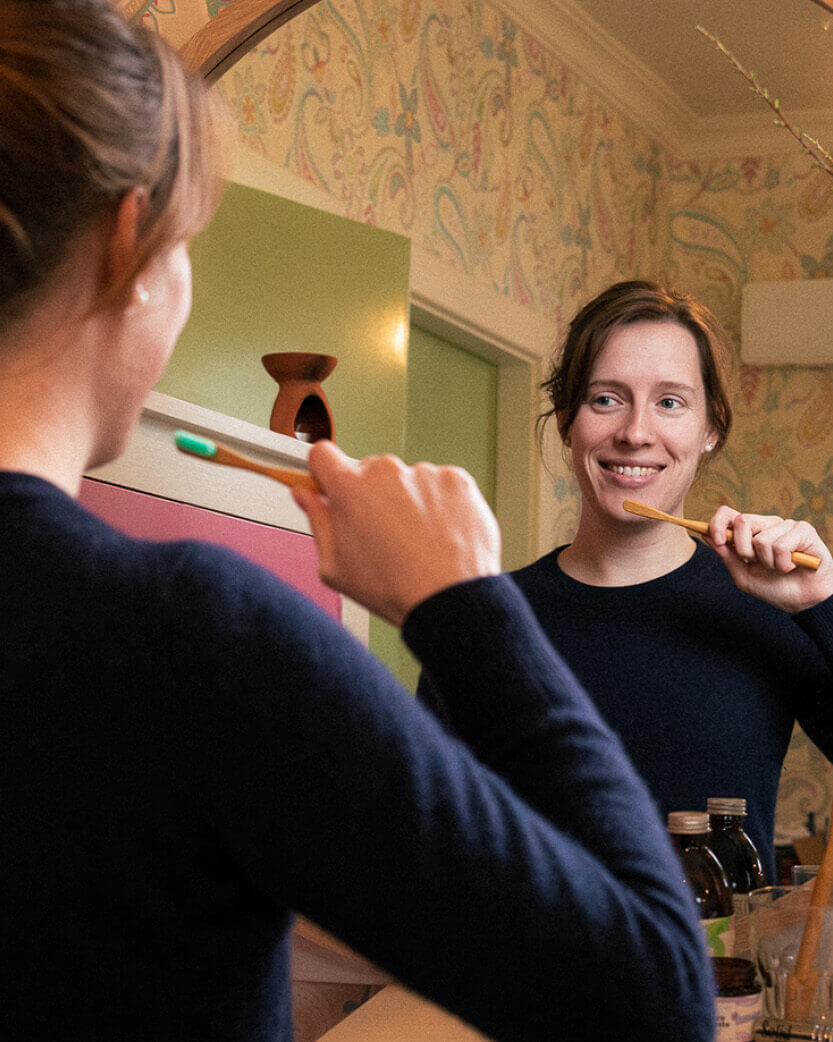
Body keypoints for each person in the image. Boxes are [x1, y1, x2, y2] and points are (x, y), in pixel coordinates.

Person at [0, 7, 716, 1041]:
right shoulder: (193, 635)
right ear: (131, 240)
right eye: (190, 239)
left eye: (668, 403)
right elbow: (650, 997)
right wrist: (464, 606)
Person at [422, 279, 833, 884]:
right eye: (606, 399)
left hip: (713, 975)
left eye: (670, 402)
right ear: (567, 421)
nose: (636, 432)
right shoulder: (483, 622)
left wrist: (822, 603)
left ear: (710, 428)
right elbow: (425, 836)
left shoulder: (770, 610)